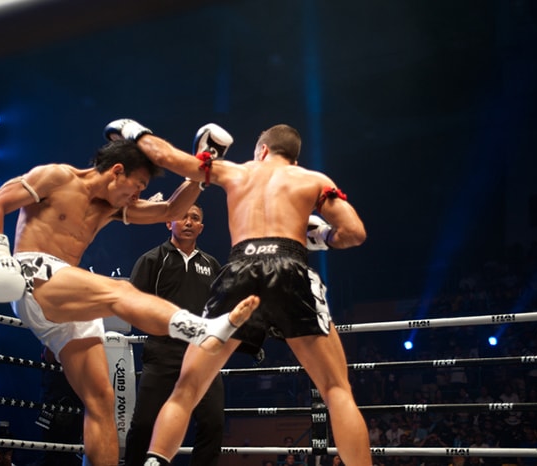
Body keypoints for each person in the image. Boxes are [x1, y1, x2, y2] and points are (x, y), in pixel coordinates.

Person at [0, 137, 260, 466]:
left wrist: (201, 170)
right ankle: (201, 330)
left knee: (101, 402)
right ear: (116, 172)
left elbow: (171, 210)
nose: (138, 195)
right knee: (120, 292)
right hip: (33, 274)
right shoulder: (56, 177)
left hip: (68, 291)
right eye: (137, 185)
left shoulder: (111, 207)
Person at [104, 119, 370, 465]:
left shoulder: (238, 172)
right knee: (336, 390)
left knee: (186, 389)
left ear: (262, 150)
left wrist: (133, 131)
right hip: (289, 265)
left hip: (240, 269)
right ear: (294, 156)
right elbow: (353, 232)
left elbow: (167, 156)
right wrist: (320, 237)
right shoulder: (314, 180)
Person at [124, 204, 224, 465]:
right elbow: (131, 303)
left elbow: (220, 309)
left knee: (213, 424)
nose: (189, 222)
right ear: (169, 222)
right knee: (144, 423)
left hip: (202, 355)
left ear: (201, 227)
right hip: (162, 351)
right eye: (183, 216)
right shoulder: (152, 260)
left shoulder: (212, 264)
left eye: (195, 218)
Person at [36, 346, 83, 466]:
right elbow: (49, 357)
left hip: (75, 400)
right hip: (51, 398)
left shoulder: (83, 334)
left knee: (71, 451)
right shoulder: (53, 333)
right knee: (48, 451)